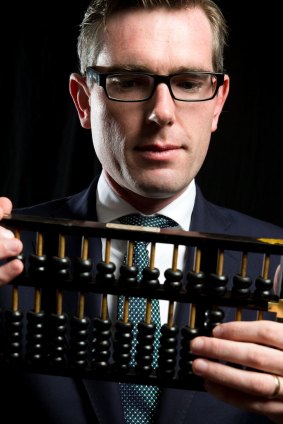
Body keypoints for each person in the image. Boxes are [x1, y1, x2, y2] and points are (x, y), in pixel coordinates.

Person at [0, 0, 283, 423]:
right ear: (83, 101)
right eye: (129, 81)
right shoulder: (9, 254)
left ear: (218, 102)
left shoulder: (278, 262)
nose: (161, 114)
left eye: (188, 82)